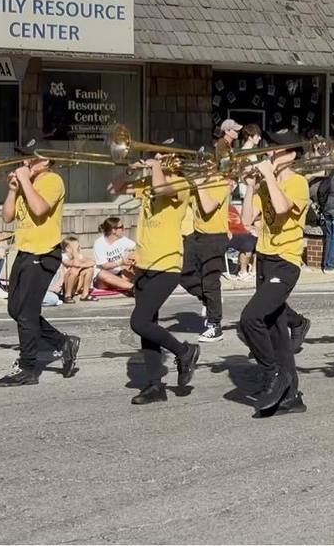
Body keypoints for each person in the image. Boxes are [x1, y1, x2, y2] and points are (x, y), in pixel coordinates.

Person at [112, 155, 199, 404]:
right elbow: (114, 188)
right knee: (148, 326)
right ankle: (154, 386)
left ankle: (185, 351)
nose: (155, 161)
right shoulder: (148, 182)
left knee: (138, 322)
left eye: (162, 157)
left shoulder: (182, 184)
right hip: (144, 264)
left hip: (167, 264)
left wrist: (156, 166)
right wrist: (130, 170)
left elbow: (162, 188)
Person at [239, 129, 311, 417]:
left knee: (250, 318)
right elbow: (246, 220)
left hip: (286, 261)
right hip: (265, 259)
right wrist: (250, 189)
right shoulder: (265, 184)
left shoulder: (299, 183)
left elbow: (281, 209)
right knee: (277, 331)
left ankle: (273, 373)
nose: (271, 153)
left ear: (292, 154)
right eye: (270, 148)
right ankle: (291, 396)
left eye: (277, 150)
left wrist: (268, 177)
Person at [0, 139, 80, 386]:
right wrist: (13, 189)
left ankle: (28, 367)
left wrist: (24, 181)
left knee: (27, 313)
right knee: (16, 309)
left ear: (45, 160)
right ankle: (62, 342)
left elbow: (40, 209)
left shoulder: (52, 180)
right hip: (24, 251)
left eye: (30, 157)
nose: (24, 161)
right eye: (23, 156)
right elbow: (8, 216)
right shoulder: (26, 182)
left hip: (43, 252)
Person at [181, 166, 232, 343]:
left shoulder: (220, 182)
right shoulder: (198, 183)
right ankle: (210, 300)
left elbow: (209, 207)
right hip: (196, 235)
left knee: (210, 281)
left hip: (215, 237)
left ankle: (215, 325)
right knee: (183, 273)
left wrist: (200, 185)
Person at [92, 217, 136, 293]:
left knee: (135, 255)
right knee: (101, 274)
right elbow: (104, 266)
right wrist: (120, 262)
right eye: (121, 227)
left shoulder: (122, 239)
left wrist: (132, 257)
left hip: (119, 274)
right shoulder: (99, 243)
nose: (123, 229)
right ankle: (132, 287)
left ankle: (126, 285)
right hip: (104, 278)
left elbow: (137, 248)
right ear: (113, 230)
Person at [61, 236, 96, 303]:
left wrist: (81, 265)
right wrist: (75, 253)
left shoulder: (79, 256)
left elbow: (92, 262)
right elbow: (75, 264)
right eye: (76, 248)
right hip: (65, 285)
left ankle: (85, 294)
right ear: (67, 249)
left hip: (76, 284)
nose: (79, 249)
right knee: (74, 269)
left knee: (89, 269)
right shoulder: (63, 256)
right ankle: (67, 295)